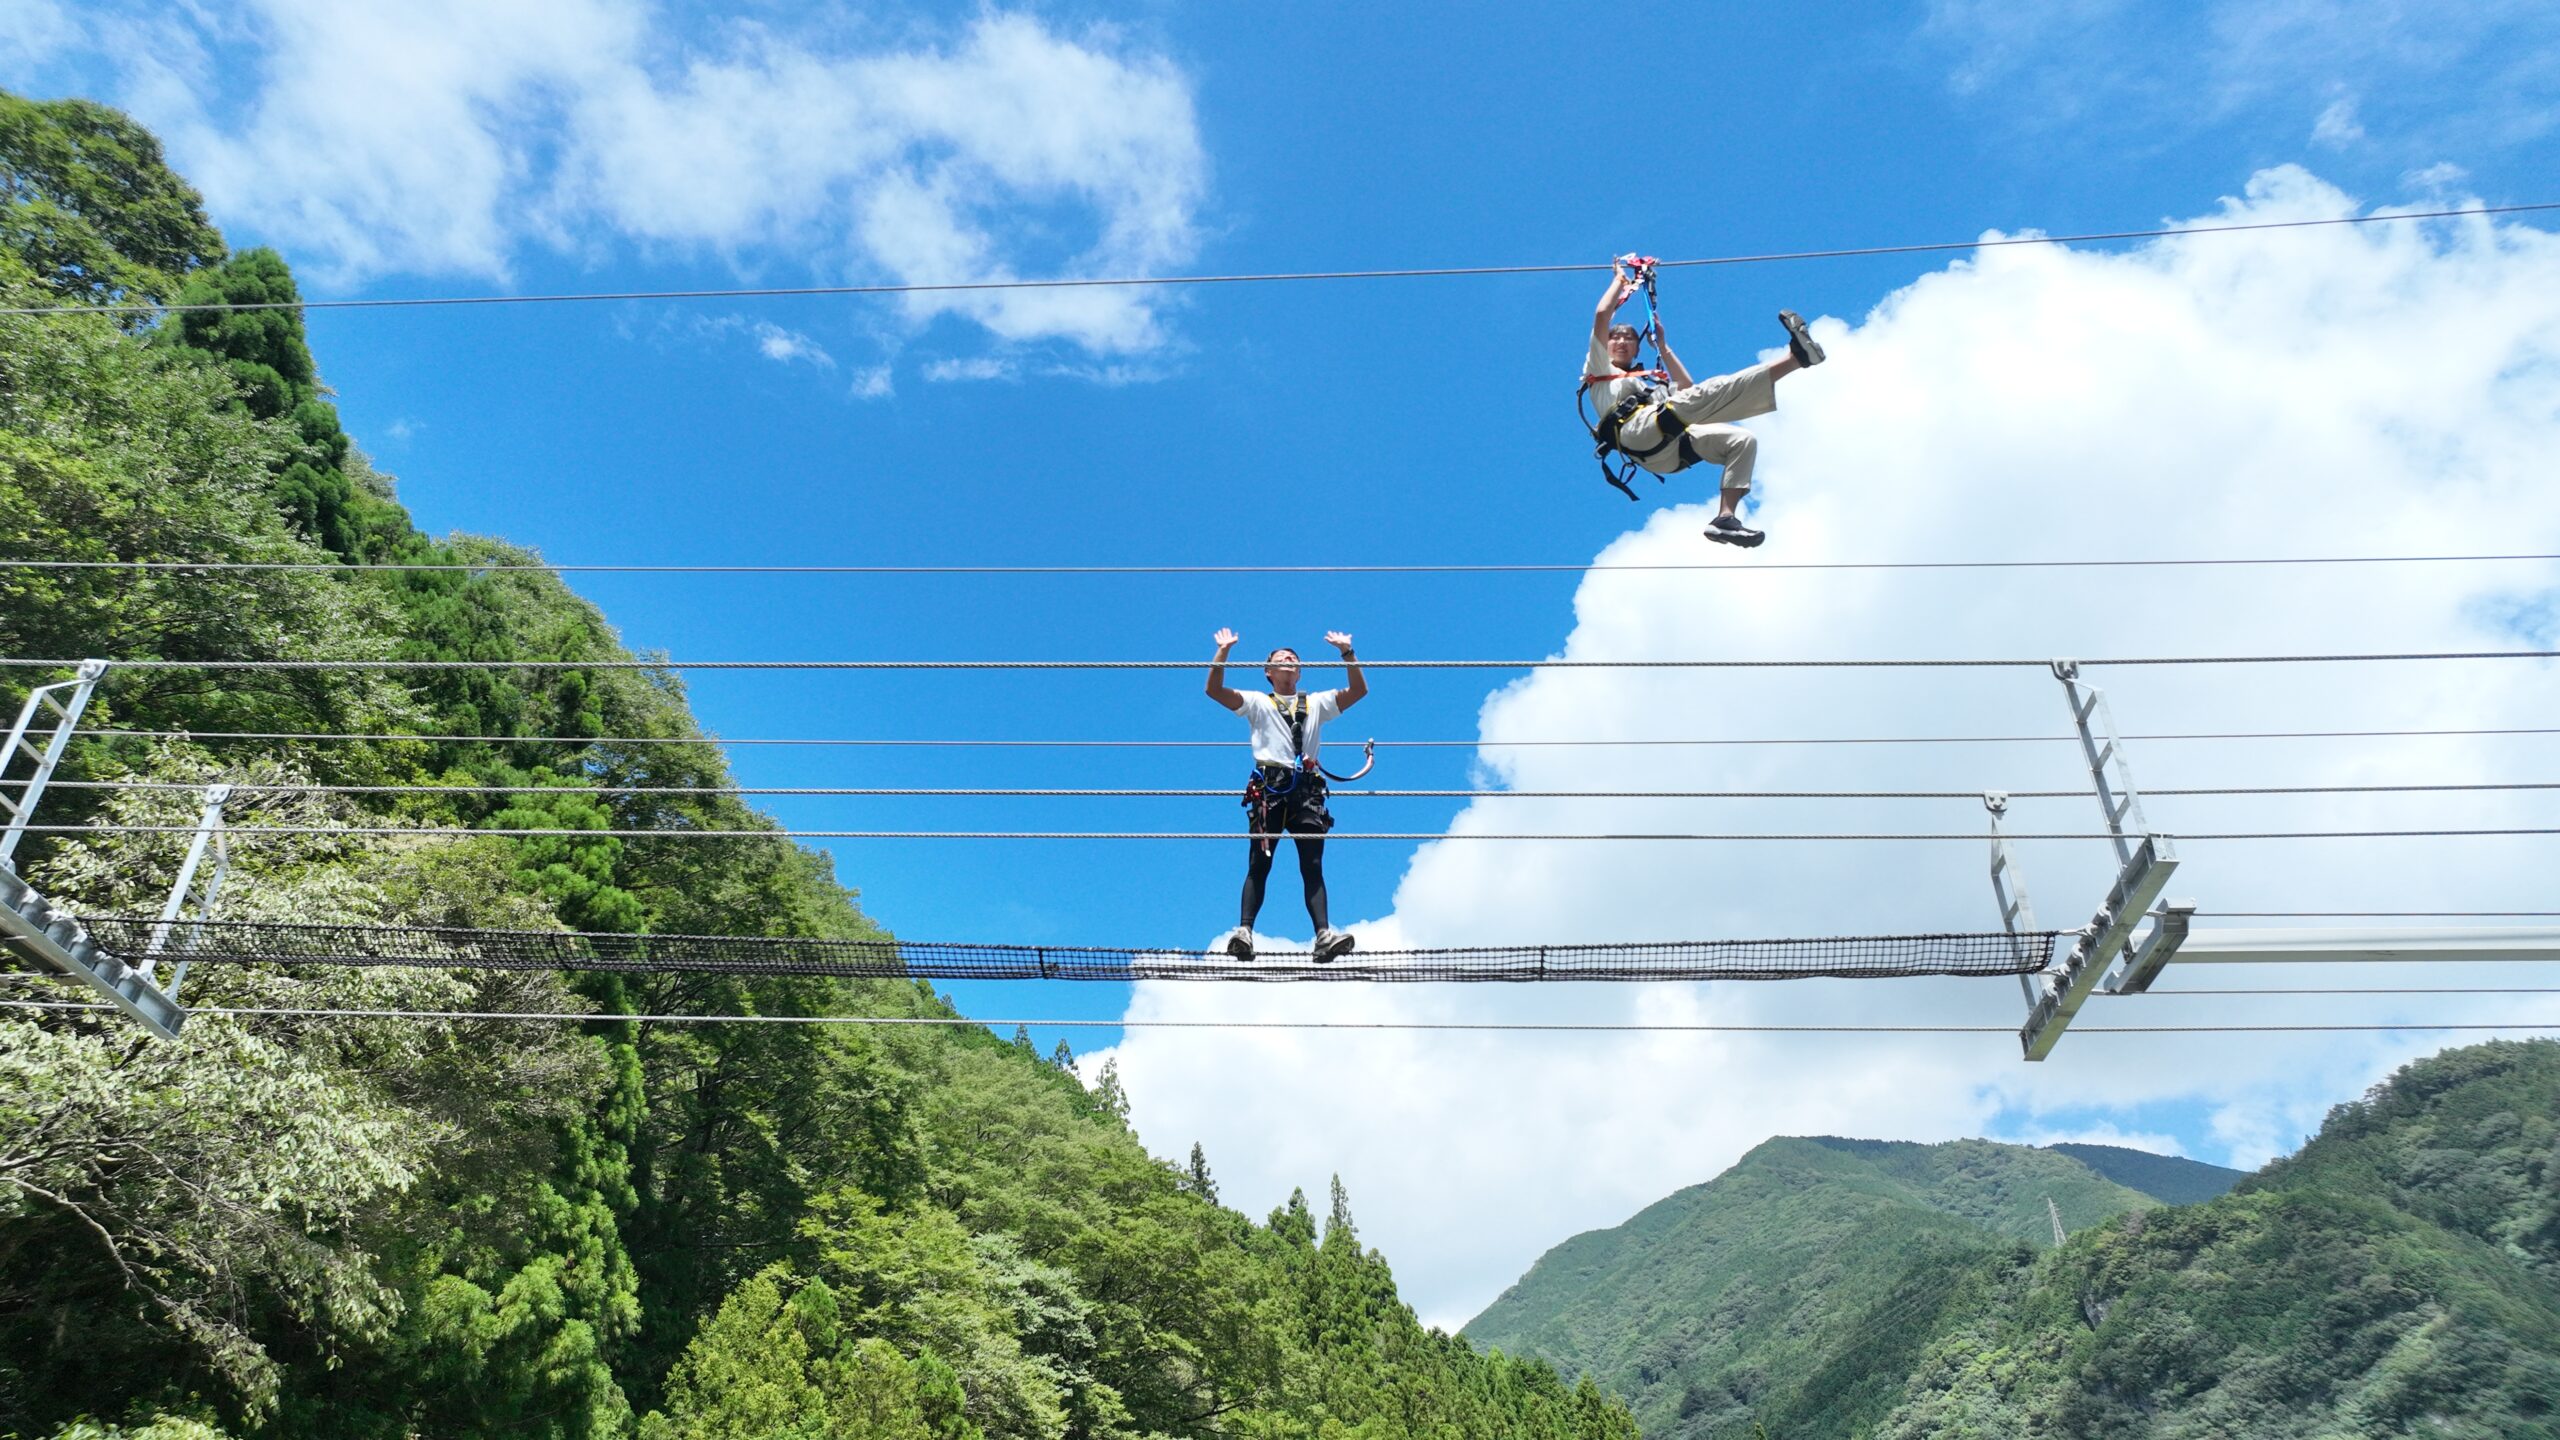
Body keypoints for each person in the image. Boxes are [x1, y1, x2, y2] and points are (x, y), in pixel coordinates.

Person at [1584, 258, 1826, 547]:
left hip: (1669, 449)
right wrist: (1620, 282)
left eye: (1629, 338)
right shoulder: (1600, 369)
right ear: (1605, 345)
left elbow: (1687, 388)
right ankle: (1797, 359)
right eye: (1615, 338)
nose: (1622, 342)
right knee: (1709, 392)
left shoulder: (1646, 385)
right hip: (1637, 432)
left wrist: (1663, 346)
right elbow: (1602, 314)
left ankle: (1725, 519)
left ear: (1638, 347)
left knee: (1741, 439)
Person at [1205, 627, 1366, 963]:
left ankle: (1323, 936)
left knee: (1313, 864)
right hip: (1271, 788)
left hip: (1306, 789)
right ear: (1269, 672)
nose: (1290, 661)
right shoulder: (1257, 703)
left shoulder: (1317, 703)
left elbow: (1358, 690)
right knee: (1259, 862)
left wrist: (1347, 653)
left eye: (1294, 659)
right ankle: (1244, 932)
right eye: (1282, 659)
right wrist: (1223, 652)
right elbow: (1214, 690)